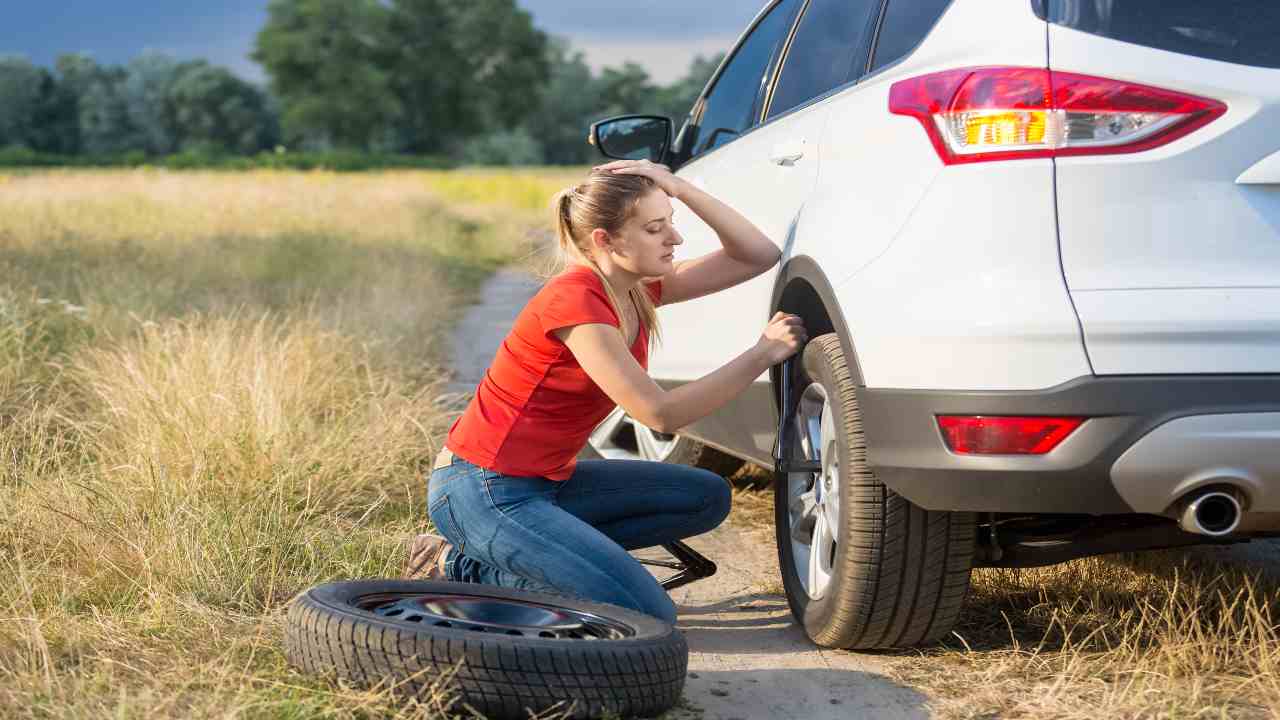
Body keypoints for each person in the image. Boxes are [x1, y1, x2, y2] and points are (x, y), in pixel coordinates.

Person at [408, 158, 806, 624]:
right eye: (656, 228)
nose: (674, 238)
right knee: (646, 612)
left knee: (707, 496)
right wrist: (761, 354)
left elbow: (757, 255)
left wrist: (677, 186)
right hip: (482, 489)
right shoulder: (574, 298)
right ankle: (458, 564)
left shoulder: (636, 289)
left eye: (670, 224)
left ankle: (550, 556)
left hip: (547, 485)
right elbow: (660, 414)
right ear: (606, 240)